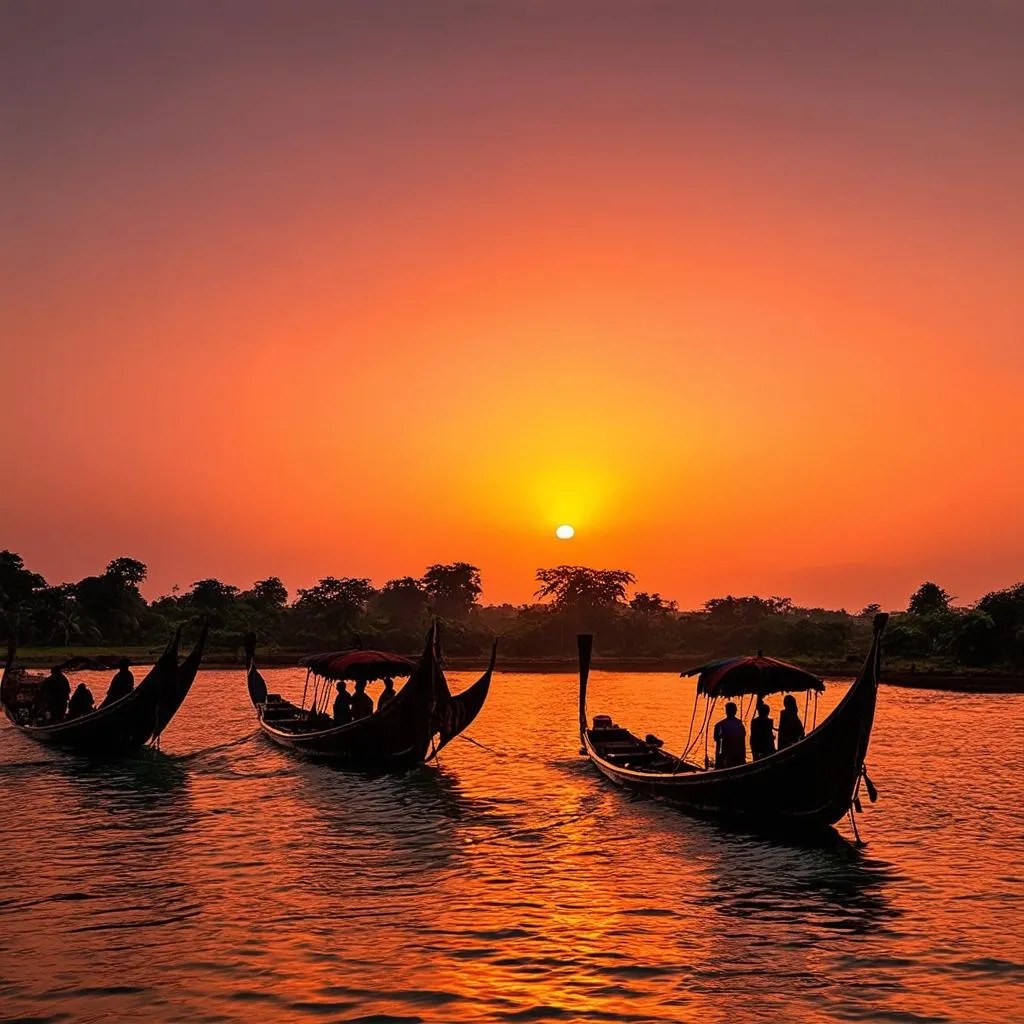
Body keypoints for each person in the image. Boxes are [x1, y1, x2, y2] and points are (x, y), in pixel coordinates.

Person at [712, 701, 746, 768]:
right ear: (735, 711)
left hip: (728, 755)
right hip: (736, 755)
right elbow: (742, 738)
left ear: (726, 711)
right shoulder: (739, 723)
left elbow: (716, 739)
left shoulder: (720, 724)